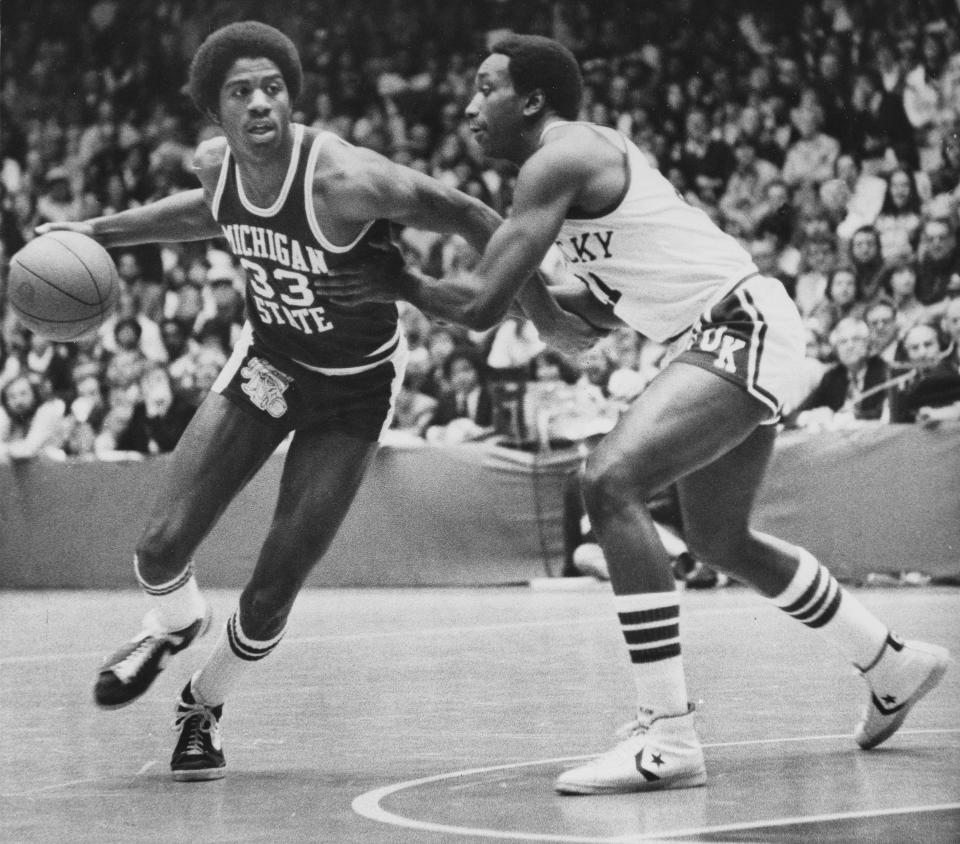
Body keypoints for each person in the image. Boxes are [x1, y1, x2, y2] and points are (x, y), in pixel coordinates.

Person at [320, 34, 950, 795]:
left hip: (738, 329)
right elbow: (575, 322)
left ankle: (670, 733)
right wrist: (505, 288)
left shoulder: (560, 156)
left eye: (484, 88)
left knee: (610, 481)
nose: (467, 106)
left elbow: (484, 304)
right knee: (720, 538)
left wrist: (401, 279)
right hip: (738, 332)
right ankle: (889, 661)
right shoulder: (581, 191)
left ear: (531, 100)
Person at [36, 22, 591, 784]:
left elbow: (472, 215)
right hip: (269, 364)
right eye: (241, 92)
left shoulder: (346, 179)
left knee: (273, 586)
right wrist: (94, 231)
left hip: (354, 392)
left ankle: (201, 706)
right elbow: (210, 211)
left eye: (273, 87)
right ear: (215, 110)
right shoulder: (215, 167)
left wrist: (547, 316)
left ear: (291, 96)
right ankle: (174, 623)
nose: (262, 103)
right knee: (160, 548)